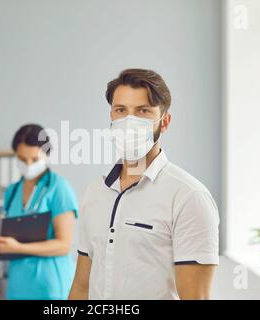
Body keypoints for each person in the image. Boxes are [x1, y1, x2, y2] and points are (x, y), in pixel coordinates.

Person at [69, 69, 220, 300]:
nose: (129, 122)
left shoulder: (189, 197)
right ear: (111, 117)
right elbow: (81, 286)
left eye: (143, 111)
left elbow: (196, 297)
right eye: (121, 110)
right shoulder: (94, 193)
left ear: (165, 122)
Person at [0, 124, 78, 300]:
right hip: (18, 284)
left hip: (49, 284)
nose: (28, 165)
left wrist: (19, 248)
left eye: (34, 159)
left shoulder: (58, 188)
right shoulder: (11, 192)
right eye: (22, 159)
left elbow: (64, 245)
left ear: (46, 155)